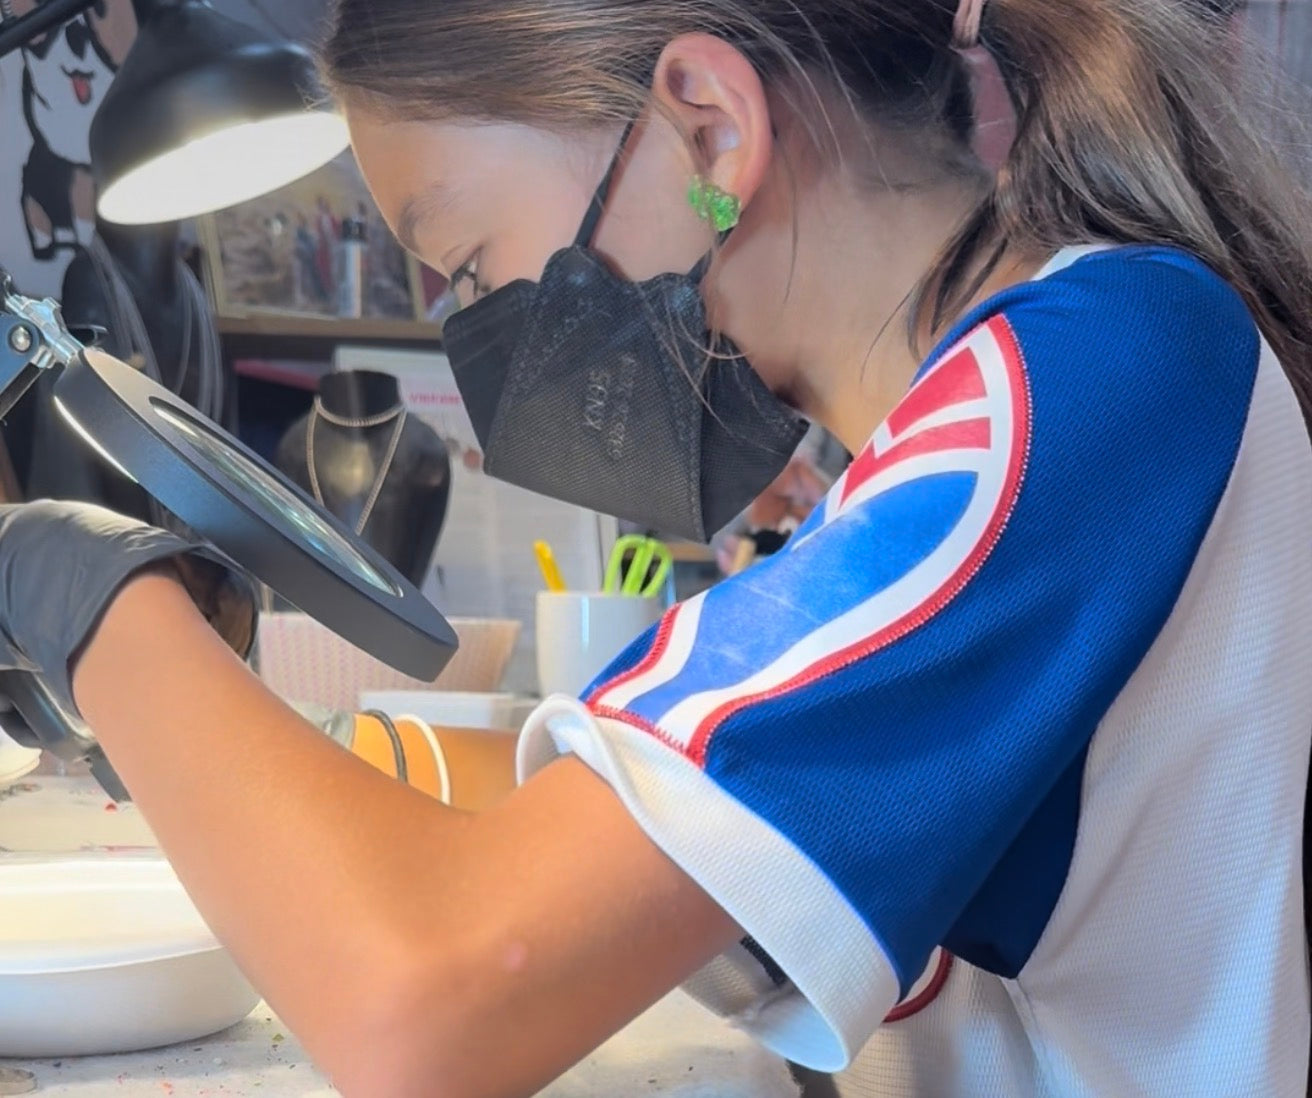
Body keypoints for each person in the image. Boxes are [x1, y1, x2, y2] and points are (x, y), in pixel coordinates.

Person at [3, 0, 1311, 1094]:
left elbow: (424, 1001)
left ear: (709, 126)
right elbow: (608, 893)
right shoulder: (973, 429)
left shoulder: (1089, 385)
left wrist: (80, 588)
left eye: (466, 264)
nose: (476, 327)